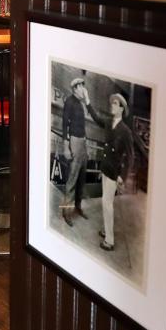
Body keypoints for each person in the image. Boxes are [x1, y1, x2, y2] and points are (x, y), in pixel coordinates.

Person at [59, 77, 106, 226]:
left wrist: (87, 100)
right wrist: (66, 146)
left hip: (83, 142)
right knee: (72, 179)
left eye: (84, 86)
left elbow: (94, 119)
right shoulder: (69, 102)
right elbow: (65, 125)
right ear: (75, 89)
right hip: (74, 141)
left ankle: (78, 207)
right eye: (81, 87)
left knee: (81, 178)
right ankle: (66, 212)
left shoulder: (81, 103)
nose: (84, 89)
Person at [94, 92, 134, 252]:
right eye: (112, 103)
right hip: (105, 168)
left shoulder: (125, 131)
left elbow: (130, 157)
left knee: (107, 203)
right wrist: (88, 102)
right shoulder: (109, 122)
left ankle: (109, 241)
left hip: (114, 173)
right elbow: (96, 119)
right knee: (106, 202)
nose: (112, 105)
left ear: (122, 109)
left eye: (116, 104)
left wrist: (122, 176)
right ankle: (106, 230)